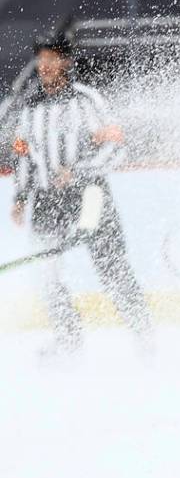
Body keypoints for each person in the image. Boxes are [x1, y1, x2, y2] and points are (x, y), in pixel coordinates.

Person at [9, 34, 151, 356]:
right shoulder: (30, 108)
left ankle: (144, 337)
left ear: (66, 62)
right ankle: (69, 341)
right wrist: (20, 197)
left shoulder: (87, 100)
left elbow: (117, 147)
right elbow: (23, 156)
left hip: (89, 196)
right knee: (46, 274)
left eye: (51, 59)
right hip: (46, 201)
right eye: (41, 60)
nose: (44, 67)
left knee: (112, 268)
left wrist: (80, 171)